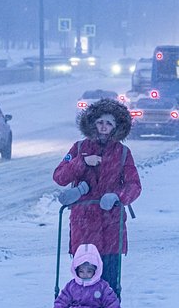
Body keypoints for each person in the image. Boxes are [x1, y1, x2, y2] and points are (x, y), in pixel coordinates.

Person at [53, 98, 142, 294]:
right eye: (100, 122)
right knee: (83, 274)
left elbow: (134, 185)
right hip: (83, 225)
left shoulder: (123, 153)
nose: (104, 127)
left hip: (111, 225)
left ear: (116, 127)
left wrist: (117, 196)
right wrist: (82, 162)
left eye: (109, 123)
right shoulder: (78, 149)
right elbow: (59, 176)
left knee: (110, 278)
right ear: (92, 123)